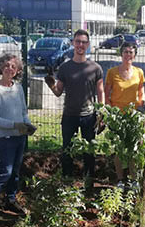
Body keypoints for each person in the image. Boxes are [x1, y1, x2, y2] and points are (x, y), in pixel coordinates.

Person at [44, 29, 104, 185]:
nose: (80, 45)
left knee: (89, 151)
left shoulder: (95, 68)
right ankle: (67, 180)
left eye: (84, 42)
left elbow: (100, 91)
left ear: (88, 44)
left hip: (89, 116)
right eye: (78, 41)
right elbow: (58, 92)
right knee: (67, 150)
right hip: (69, 115)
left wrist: (102, 113)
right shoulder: (65, 68)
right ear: (73, 43)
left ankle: (89, 181)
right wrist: (51, 84)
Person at [0, 54, 36, 214]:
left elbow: (23, 111)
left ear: (18, 70)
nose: (9, 69)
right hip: (5, 138)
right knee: (5, 170)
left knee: (15, 171)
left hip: (20, 136)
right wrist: (14, 125)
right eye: (6, 65)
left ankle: (10, 199)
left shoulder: (18, 88)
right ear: (0, 67)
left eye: (13, 66)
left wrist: (27, 124)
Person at [104, 41, 145, 186]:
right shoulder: (112, 72)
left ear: (134, 55)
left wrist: (141, 102)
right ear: (121, 54)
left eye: (131, 52)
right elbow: (106, 94)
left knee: (134, 147)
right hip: (118, 117)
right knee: (119, 149)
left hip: (133, 117)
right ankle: (120, 179)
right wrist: (111, 112)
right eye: (125, 52)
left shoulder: (139, 72)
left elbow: (141, 91)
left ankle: (134, 180)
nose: (128, 54)